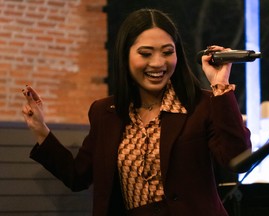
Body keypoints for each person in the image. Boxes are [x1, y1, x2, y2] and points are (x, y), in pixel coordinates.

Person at [22, 8, 251, 216]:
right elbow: (77, 176)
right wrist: (40, 130)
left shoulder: (203, 104)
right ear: (125, 55)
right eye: (145, 53)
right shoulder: (105, 113)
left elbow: (237, 159)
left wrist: (220, 85)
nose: (158, 63)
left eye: (167, 52)